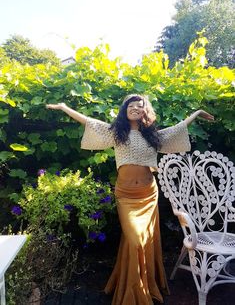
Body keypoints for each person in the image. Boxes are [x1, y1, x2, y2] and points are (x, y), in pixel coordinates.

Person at [46, 94, 214, 305]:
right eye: (130, 105)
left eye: (139, 105)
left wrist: (197, 114)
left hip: (148, 194)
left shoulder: (153, 136)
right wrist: (64, 107)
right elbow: (89, 122)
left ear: (145, 111)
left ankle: (138, 284)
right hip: (126, 196)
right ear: (125, 110)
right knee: (135, 240)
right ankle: (134, 290)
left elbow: (177, 129)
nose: (135, 108)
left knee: (142, 242)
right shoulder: (117, 133)